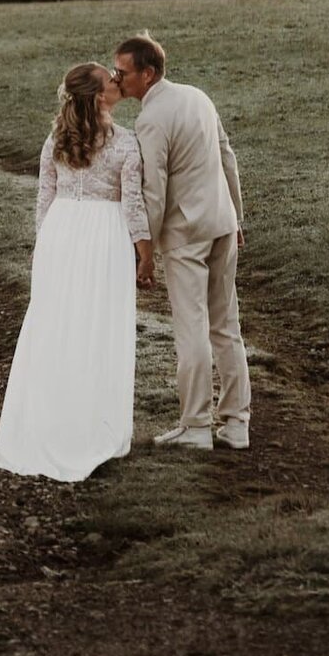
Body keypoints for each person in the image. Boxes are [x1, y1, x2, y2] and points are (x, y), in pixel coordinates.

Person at [0, 63, 154, 482]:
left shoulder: (56, 139)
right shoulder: (126, 143)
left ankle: (55, 420)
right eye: (111, 80)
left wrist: (43, 246)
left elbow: (44, 198)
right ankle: (91, 425)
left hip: (61, 232)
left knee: (58, 326)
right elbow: (133, 204)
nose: (118, 81)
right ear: (100, 97)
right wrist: (145, 253)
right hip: (104, 237)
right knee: (97, 329)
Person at [113, 32, 251, 451]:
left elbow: (154, 191)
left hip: (186, 233)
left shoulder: (151, 119)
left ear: (148, 74)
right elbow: (227, 155)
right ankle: (236, 425)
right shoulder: (198, 96)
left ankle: (194, 426)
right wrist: (238, 216)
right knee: (226, 326)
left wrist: (146, 251)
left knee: (191, 327)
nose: (117, 80)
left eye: (123, 73)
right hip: (223, 222)